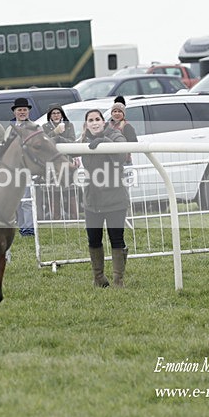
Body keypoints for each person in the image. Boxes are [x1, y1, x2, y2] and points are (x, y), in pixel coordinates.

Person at [79, 108, 129, 288]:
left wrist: (104, 142)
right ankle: (99, 278)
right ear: (86, 124)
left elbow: (122, 153)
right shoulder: (83, 140)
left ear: (103, 121)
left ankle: (118, 280)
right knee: (93, 239)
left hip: (115, 199)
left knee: (116, 239)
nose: (94, 123)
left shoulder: (115, 135)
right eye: (90, 120)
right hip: (92, 200)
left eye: (97, 119)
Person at [5, 97, 36, 236]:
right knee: (16, 201)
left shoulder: (34, 127)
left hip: (27, 167)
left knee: (27, 200)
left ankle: (29, 228)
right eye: (19, 110)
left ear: (28, 111)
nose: (22, 112)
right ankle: (22, 226)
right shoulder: (9, 129)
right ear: (14, 112)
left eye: (24, 110)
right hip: (12, 169)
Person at [107, 99, 138, 164]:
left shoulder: (127, 126)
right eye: (115, 111)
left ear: (123, 114)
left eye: (119, 111)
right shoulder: (107, 126)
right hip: (109, 161)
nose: (117, 113)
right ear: (111, 113)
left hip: (123, 162)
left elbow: (134, 144)